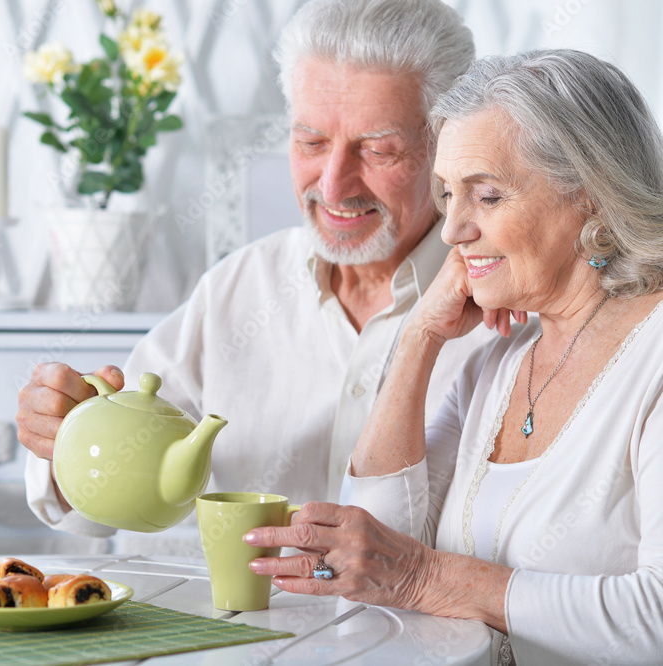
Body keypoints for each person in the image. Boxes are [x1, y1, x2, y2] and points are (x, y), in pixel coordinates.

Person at [244, 49, 663, 665]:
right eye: (447, 195)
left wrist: (424, 576)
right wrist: (417, 338)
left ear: (592, 195)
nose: (452, 230)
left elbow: (654, 620)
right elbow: (367, 579)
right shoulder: (493, 365)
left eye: (487, 195)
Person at [19, 0, 493, 538]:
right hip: (239, 621)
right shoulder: (240, 287)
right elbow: (113, 495)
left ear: (445, 145)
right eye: (311, 141)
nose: (334, 186)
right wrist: (66, 433)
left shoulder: (505, 304)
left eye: (378, 150)